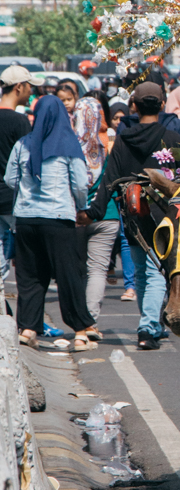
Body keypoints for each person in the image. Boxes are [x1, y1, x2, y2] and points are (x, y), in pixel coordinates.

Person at [79, 81, 180, 350]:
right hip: (164, 218)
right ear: (163, 104)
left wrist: (93, 213)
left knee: (143, 273)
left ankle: (151, 324)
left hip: (132, 216)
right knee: (157, 273)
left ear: (134, 106)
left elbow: (110, 180)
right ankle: (148, 326)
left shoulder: (122, 140)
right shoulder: (172, 138)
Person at [5, 95, 95, 351]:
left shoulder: (24, 144)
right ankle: (79, 331)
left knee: (31, 276)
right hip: (58, 219)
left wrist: (27, 190)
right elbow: (80, 184)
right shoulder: (69, 144)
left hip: (25, 219)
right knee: (68, 275)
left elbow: (11, 179)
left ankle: (28, 329)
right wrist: (80, 206)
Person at [74, 96, 118, 337]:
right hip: (106, 214)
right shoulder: (110, 142)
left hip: (76, 215)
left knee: (78, 270)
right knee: (98, 271)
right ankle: (91, 321)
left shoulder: (70, 144)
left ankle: (80, 323)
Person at [0, 66, 41, 290]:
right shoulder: (20, 121)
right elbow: (27, 162)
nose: (30, 92)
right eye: (29, 87)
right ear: (18, 87)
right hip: (14, 199)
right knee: (26, 261)